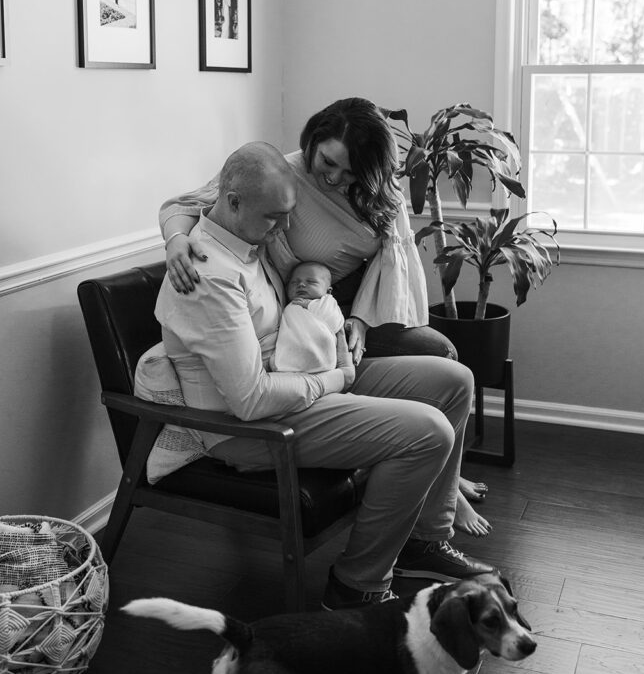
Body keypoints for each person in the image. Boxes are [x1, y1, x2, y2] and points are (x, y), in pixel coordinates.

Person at [135, 142, 493, 611]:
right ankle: (357, 584)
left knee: (453, 381)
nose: (284, 228)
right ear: (232, 201)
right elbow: (250, 400)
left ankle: (422, 539)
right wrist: (335, 380)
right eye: (273, 217)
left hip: (298, 377)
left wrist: (336, 333)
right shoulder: (208, 274)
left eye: (287, 214)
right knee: (428, 433)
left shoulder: (251, 241)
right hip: (250, 428)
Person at [270, 261, 349, 374]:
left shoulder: (327, 301)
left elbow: (336, 323)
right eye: (294, 282)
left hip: (321, 354)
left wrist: (310, 305)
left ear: (328, 291)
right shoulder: (290, 305)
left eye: (311, 282)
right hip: (292, 353)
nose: (301, 284)